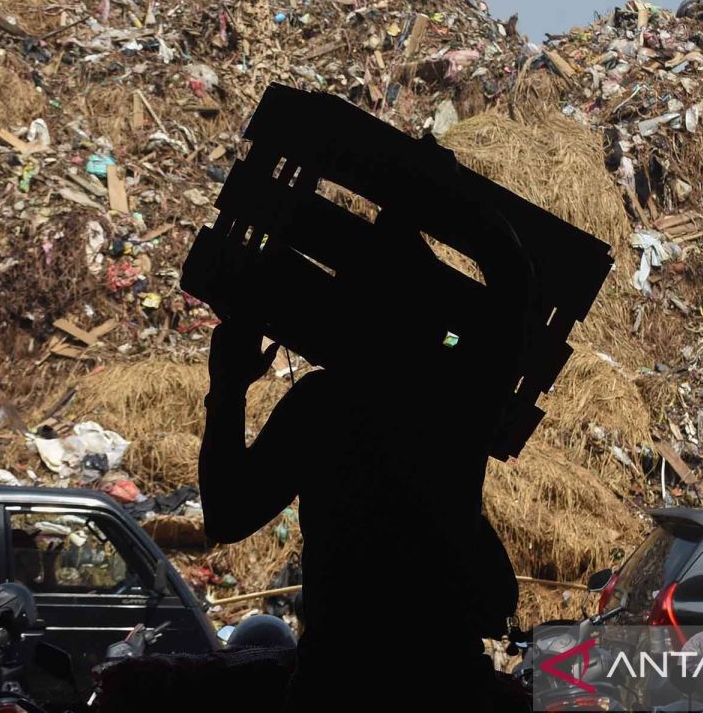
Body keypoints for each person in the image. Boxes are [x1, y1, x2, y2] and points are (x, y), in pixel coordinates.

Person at [199, 247, 522, 711]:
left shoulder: (327, 404)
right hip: (447, 682)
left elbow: (226, 515)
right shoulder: (461, 407)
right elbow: (512, 280)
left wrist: (227, 387)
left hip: (339, 682)